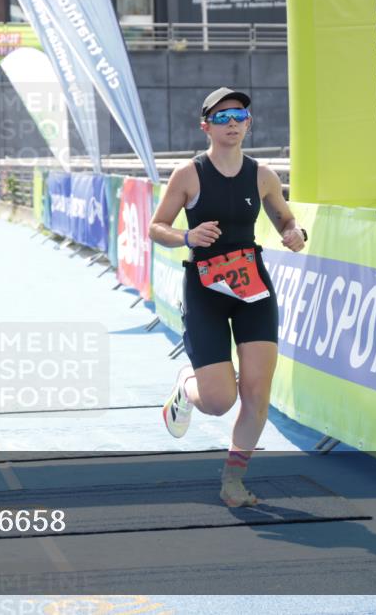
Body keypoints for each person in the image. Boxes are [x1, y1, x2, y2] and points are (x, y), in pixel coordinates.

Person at [149, 87, 307, 508]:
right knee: (220, 401)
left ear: (249, 124)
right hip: (205, 290)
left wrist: (294, 233)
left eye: (239, 116)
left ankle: (233, 480)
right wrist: (187, 236)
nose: (232, 123)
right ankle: (188, 384)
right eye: (221, 117)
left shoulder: (263, 175)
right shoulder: (189, 174)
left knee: (256, 393)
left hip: (252, 288)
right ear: (206, 126)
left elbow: (286, 219)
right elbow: (156, 227)